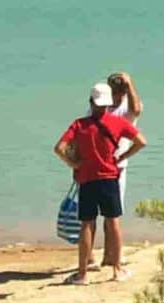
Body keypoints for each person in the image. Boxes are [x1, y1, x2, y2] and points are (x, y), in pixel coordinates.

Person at [53, 82, 144, 284]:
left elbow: (59, 148)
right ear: (107, 103)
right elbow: (141, 142)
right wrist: (121, 157)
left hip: (87, 179)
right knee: (113, 222)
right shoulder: (118, 122)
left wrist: (73, 163)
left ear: (91, 102)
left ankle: (82, 273)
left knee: (86, 224)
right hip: (110, 178)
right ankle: (117, 270)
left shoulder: (79, 125)